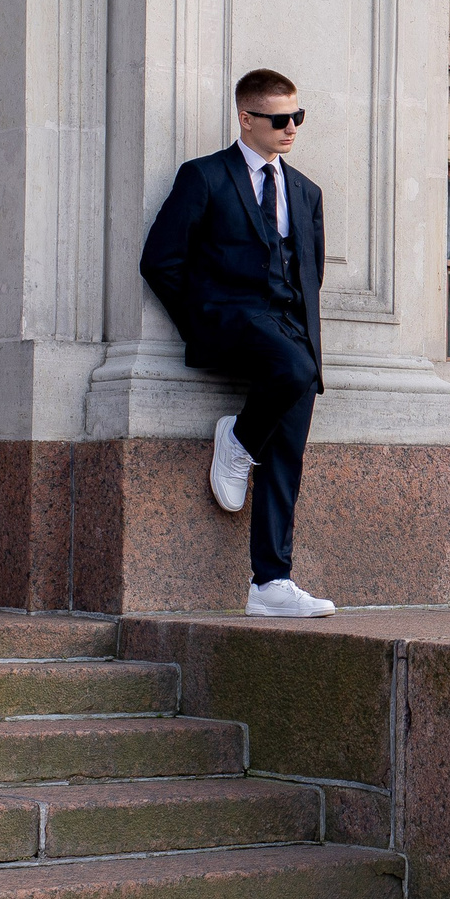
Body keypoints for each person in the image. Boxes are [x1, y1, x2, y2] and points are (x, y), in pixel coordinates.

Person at [139, 68, 336, 618]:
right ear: (246, 119)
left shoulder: (306, 191)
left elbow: (311, 271)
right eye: (280, 119)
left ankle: (270, 583)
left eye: (298, 116)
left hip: (290, 328)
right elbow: (159, 261)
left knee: (287, 456)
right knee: (295, 371)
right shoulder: (204, 176)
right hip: (231, 318)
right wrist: (201, 320)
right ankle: (238, 439)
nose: (291, 128)